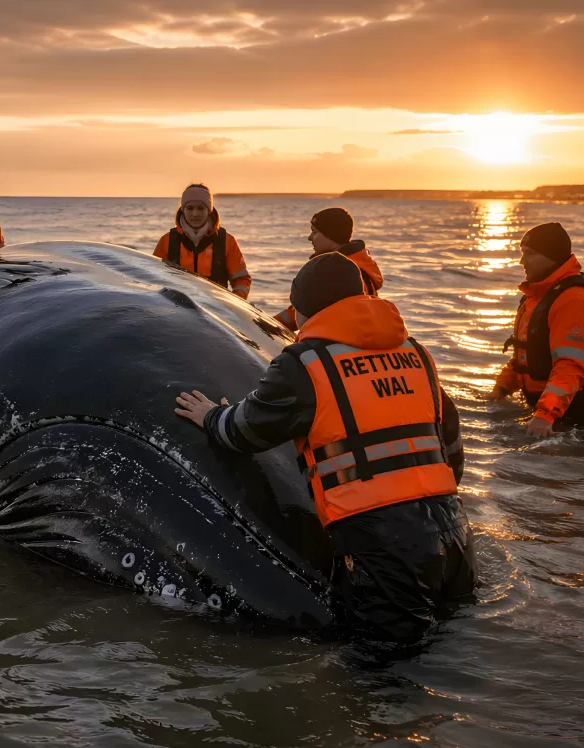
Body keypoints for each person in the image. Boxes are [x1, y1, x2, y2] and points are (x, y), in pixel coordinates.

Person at [175, 252, 475, 642]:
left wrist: (211, 416)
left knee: (381, 672)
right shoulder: (415, 352)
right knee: (457, 645)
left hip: (384, 543)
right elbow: (450, 442)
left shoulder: (306, 363)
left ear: (304, 310)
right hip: (454, 530)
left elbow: (248, 431)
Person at [488, 222, 584, 436]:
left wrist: (546, 415)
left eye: (529, 254)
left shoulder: (576, 300)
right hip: (547, 413)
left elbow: (571, 367)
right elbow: (528, 355)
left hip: (580, 418)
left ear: (551, 256)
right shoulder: (538, 296)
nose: (521, 261)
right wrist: (502, 388)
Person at [275, 206, 383, 329]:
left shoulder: (339, 272)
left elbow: (308, 310)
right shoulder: (356, 265)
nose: (310, 237)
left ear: (330, 235)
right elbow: (307, 307)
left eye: (314, 232)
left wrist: (268, 325)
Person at [153, 183, 251, 298]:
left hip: (215, 310)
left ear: (209, 210)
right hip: (175, 310)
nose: (195, 213)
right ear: (183, 209)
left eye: (201, 208)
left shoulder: (227, 241)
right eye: (190, 208)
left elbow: (241, 280)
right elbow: (153, 277)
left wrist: (236, 302)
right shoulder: (167, 241)